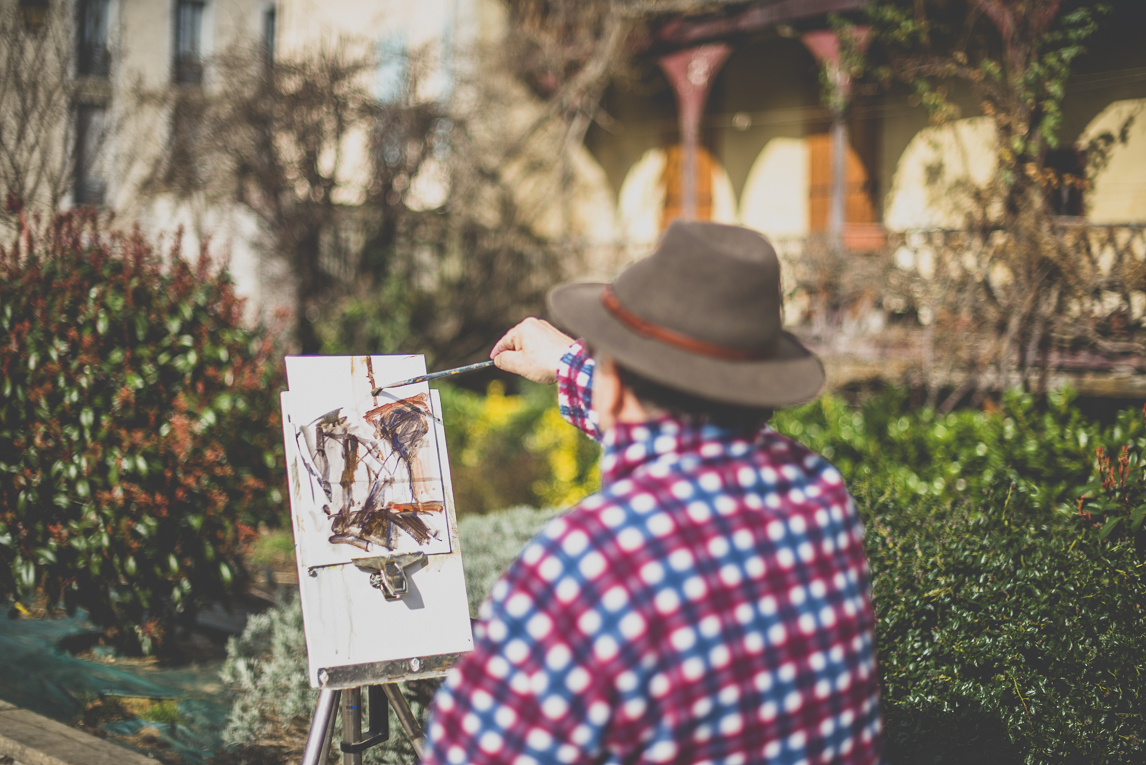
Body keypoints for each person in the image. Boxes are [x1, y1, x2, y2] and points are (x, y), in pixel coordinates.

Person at [422, 221, 884, 765]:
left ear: (615, 384)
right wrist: (574, 363)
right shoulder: (819, 492)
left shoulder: (593, 565)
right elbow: (707, 435)